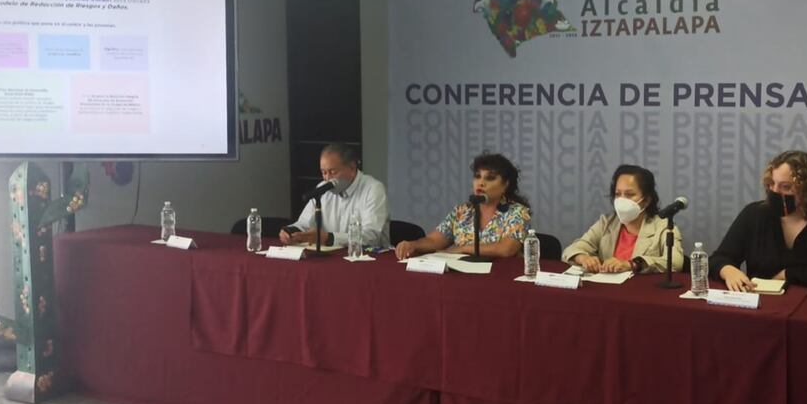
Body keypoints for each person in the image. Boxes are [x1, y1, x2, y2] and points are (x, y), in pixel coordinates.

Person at [710, 150, 807, 292]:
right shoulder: (754, 214)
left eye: (786, 187)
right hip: (761, 305)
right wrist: (728, 271)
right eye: (771, 184)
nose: (775, 192)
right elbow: (718, 258)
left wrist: (789, 274)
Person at [395, 153, 530, 259]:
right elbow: (434, 240)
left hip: (501, 278)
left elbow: (506, 249)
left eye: (490, 178)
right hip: (463, 276)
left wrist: (462, 248)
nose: (481, 183)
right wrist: (413, 245)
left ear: (506, 184)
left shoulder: (517, 212)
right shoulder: (462, 211)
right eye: (477, 176)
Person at [562, 164, 685, 273]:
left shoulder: (663, 226)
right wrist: (583, 258)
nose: (622, 199)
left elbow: (676, 262)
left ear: (646, 200)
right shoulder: (606, 222)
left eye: (629, 194)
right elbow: (571, 250)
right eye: (617, 194)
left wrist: (631, 264)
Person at [279, 143, 390, 249]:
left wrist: (329, 238)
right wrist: (291, 231)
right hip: (331, 258)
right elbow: (304, 224)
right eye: (323, 172)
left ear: (352, 167)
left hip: (368, 259)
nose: (327, 178)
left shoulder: (373, 189)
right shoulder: (322, 189)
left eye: (332, 172)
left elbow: (371, 237)